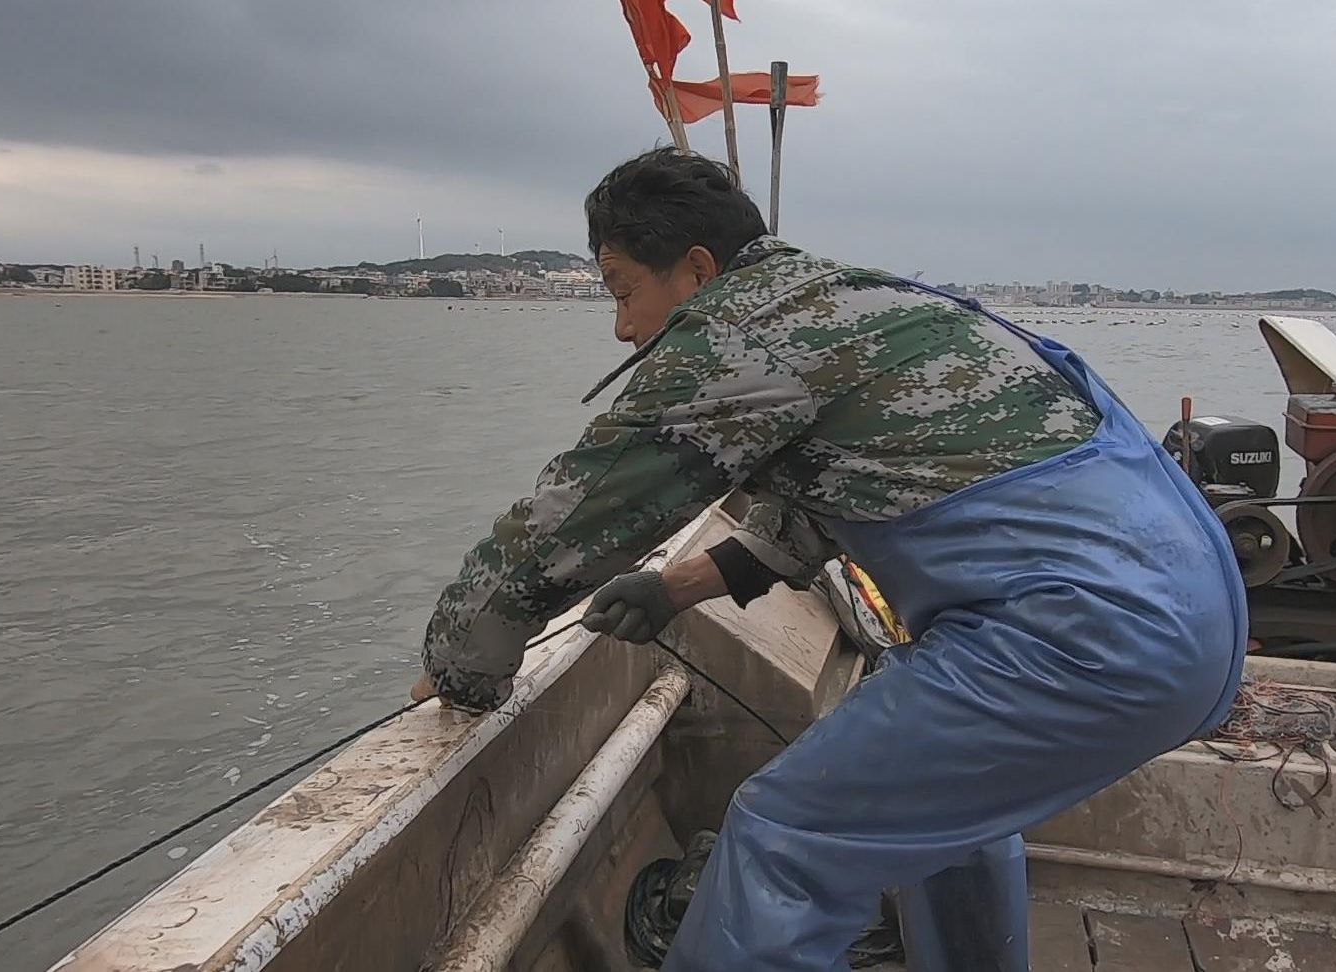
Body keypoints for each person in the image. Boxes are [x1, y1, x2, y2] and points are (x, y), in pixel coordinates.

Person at [412, 147, 1246, 971]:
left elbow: (573, 519)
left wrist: (459, 664)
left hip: (1082, 640)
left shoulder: (743, 336)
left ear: (697, 271)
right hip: (1193, 621)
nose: (624, 328)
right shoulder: (870, 304)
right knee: (947, 821)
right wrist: (678, 587)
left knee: (783, 838)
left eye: (624, 292)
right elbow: (841, 503)